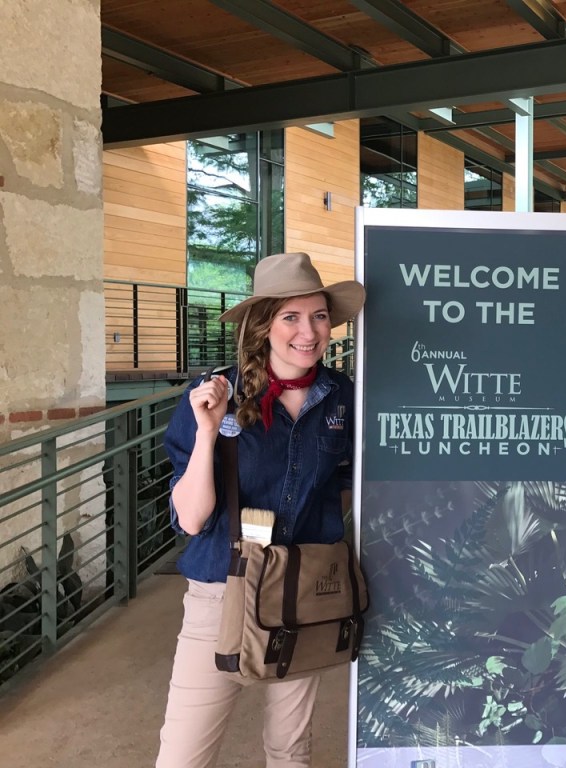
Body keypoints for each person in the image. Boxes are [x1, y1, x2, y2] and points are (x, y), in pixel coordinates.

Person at [157, 252, 365, 767]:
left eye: (319, 315)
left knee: (290, 752)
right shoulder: (213, 396)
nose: (309, 331)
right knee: (183, 755)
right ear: (263, 325)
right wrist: (208, 433)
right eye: (290, 317)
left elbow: (347, 482)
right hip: (221, 592)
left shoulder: (341, 398)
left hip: (300, 591)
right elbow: (191, 518)